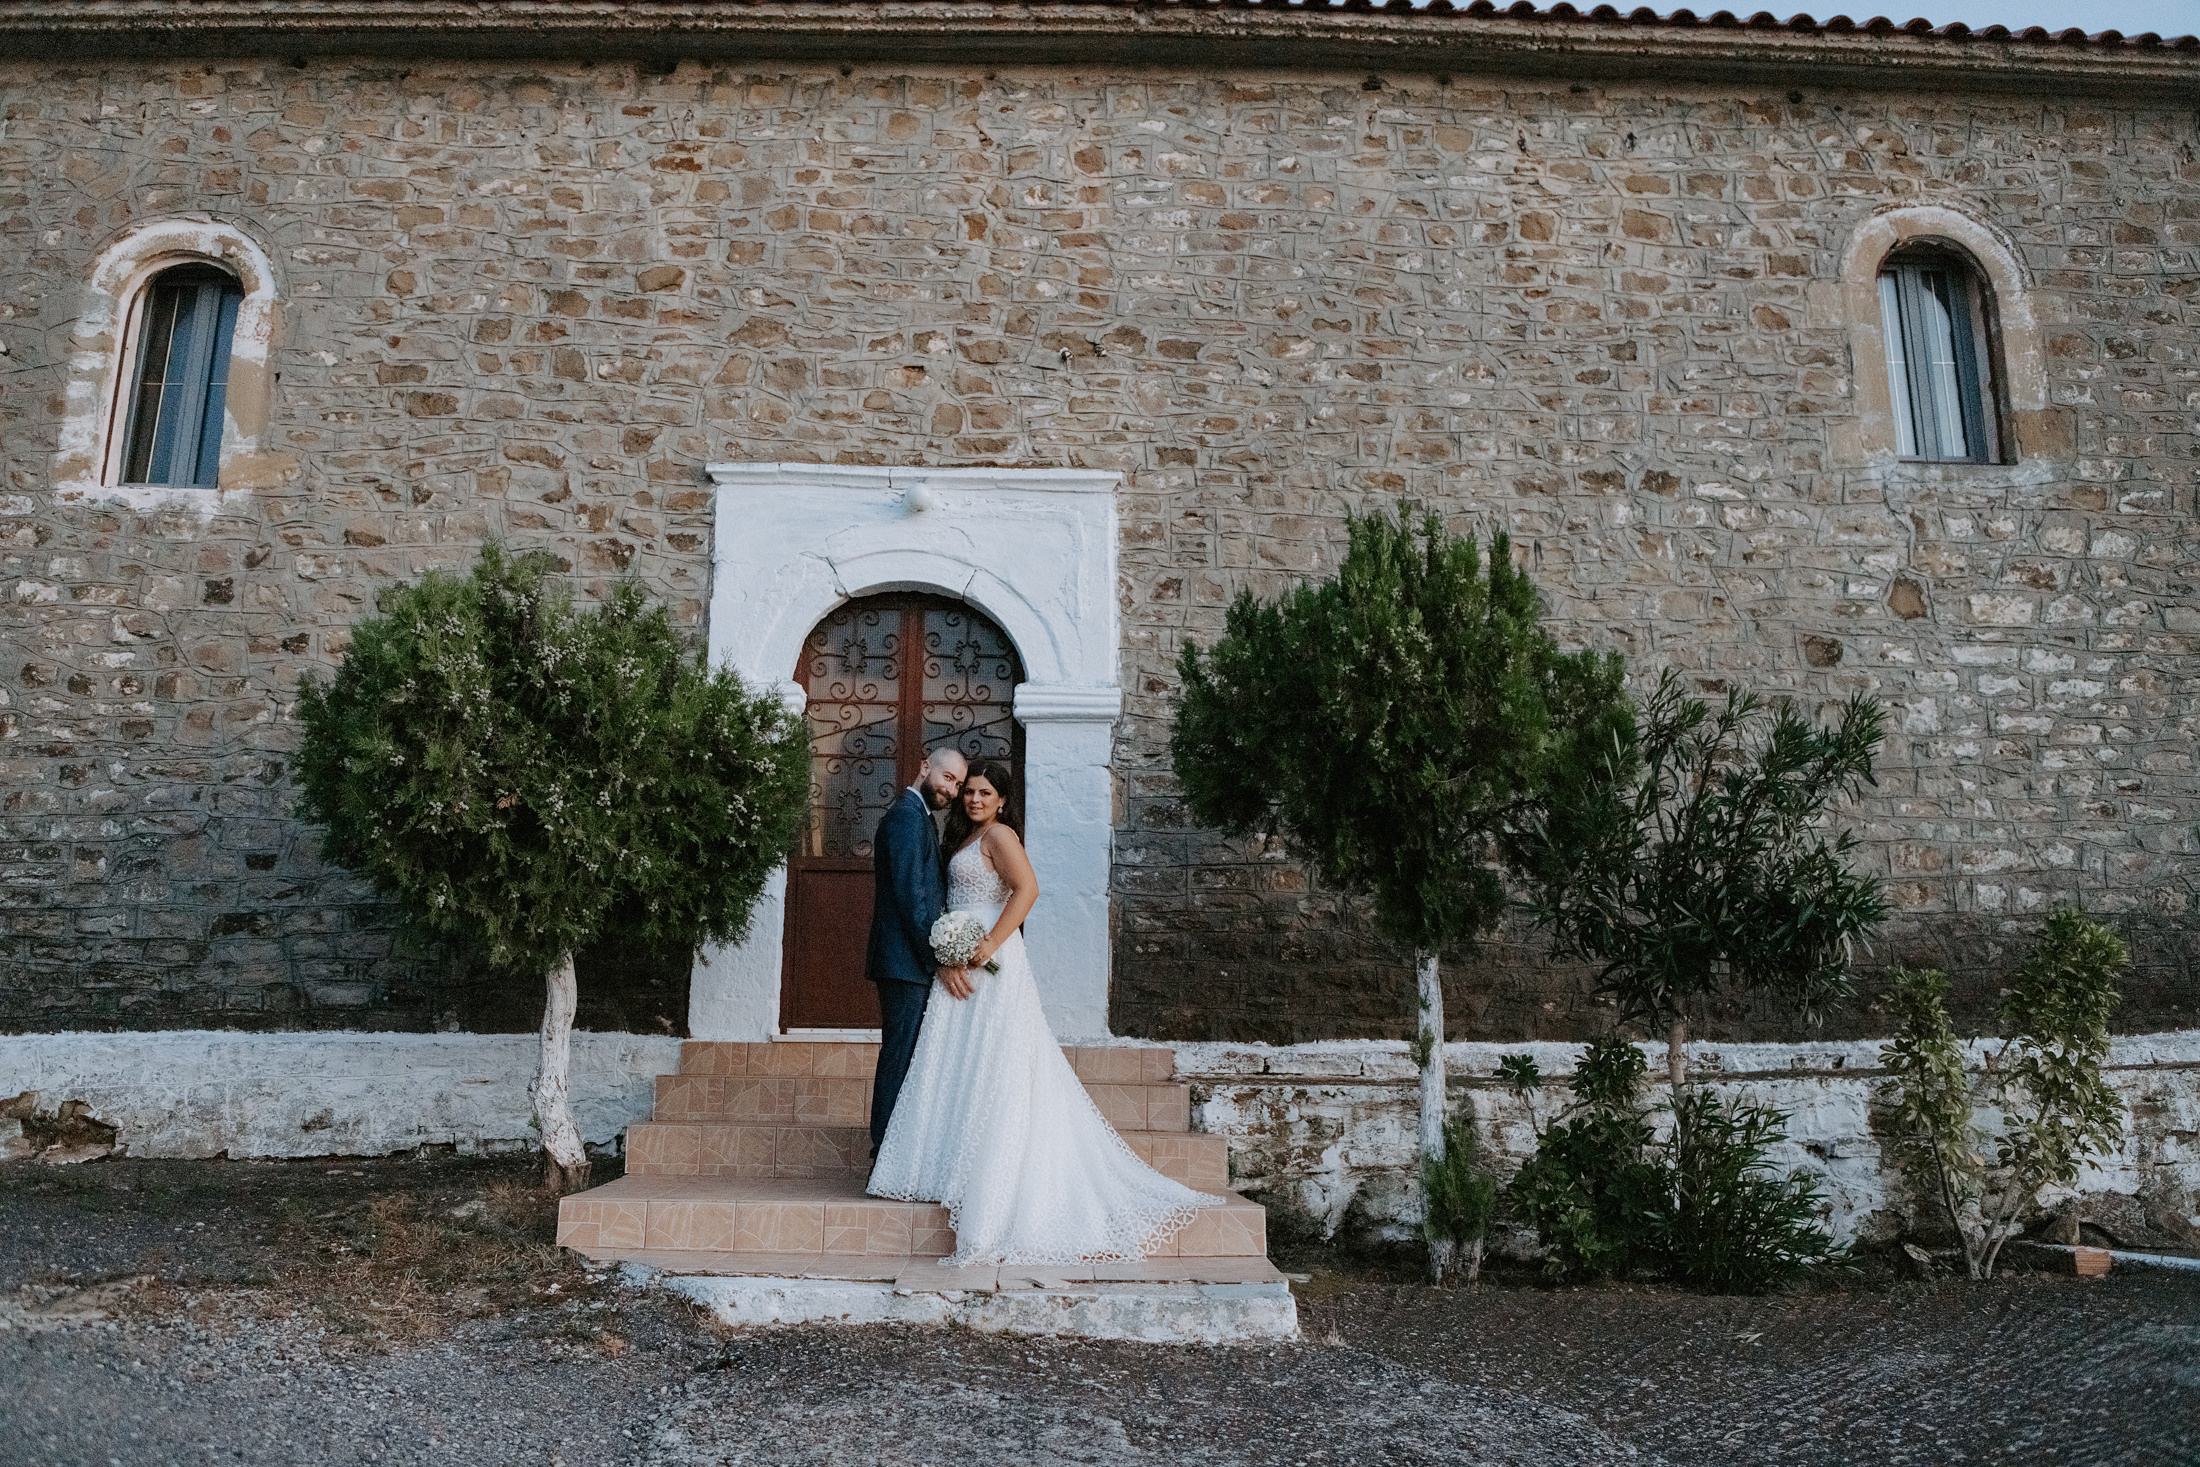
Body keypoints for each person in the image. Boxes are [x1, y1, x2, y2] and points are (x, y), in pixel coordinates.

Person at [867, 759, 1219, 1266]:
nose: (973, 799)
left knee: (997, 1059)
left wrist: (988, 943)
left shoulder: (1001, 836)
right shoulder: (961, 837)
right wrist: (949, 950)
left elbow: (1027, 890)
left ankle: (994, 1169)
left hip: (988, 957)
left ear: (1002, 800)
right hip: (955, 956)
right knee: (954, 1060)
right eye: (968, 791)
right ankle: (947, 1164)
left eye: (984, 792)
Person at [863, 746, 966, 1156]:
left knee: (906, 1055)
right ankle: (882, 1153)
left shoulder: (920, 817)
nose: (953, 790)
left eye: (958, 784)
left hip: (907, 961)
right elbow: (911, 900)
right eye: (947, 778)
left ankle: (895, 1151)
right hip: (904, 964)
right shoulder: (907, 818)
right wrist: (937, 958)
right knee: (899, 1056)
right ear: (925, 767)